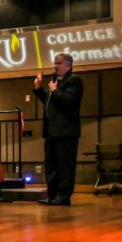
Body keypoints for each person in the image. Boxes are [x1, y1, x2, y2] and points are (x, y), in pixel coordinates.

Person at [33, 53, 84, 206]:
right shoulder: (55, 82)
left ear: (68, 65)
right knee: (51, 165)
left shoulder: (74, 80)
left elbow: (69, 102)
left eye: (59, 63)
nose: (55, 66)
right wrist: (38, 88)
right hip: (51, 131)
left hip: (66, 132)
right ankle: (52, 195)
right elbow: (50, 103)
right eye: (55, 63)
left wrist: (54, 91)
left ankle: (63, 196)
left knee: (65, 166)